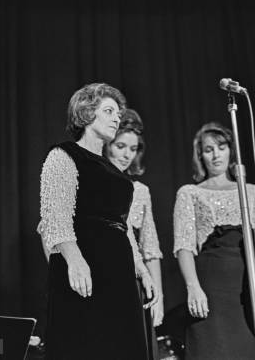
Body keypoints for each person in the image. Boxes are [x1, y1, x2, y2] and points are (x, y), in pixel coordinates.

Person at [37, 83, 156, 359]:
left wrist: (141, 269)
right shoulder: (64, 155)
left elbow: (121, 226)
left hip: (119, 273)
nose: (117, 117)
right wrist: (75, 260)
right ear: (87, 113)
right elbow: (55, 216)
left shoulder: (114, 171)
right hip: (85, 267)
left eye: (118, 112)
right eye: (109, 110)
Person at [173, 122, 255, 360]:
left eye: (221, 146)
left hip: (247, 287)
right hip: (211, 287)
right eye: (208, 149)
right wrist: (193, 288)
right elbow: (184, 245)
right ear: (200, 156)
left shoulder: (249, 191)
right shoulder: (189, 193)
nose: (216, 154)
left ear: (231, 150)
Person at [105, 108, 163, 358]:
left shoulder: (140, 191)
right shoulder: (88, 181)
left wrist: (158, 296)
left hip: (135, 284)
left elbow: (150, 248)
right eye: (120, 146)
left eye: (133, 148)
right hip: (100, 280)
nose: (126, 154)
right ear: (107, 144)